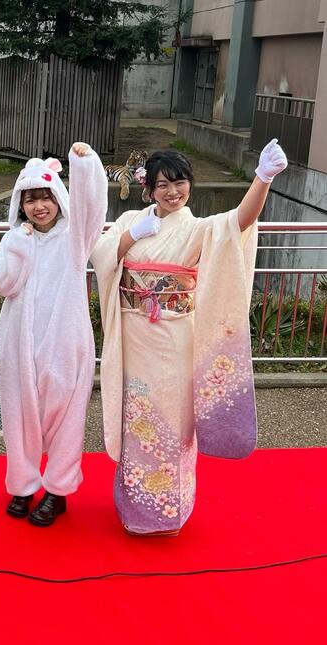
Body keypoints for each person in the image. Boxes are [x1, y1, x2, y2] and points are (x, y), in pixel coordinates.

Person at [91, 139, 288, 536]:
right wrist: (132, 236)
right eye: (162, 185)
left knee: (175, 421)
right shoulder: (132, 218)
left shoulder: (198, 229)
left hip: (176, 337)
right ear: (149, 190)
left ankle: (168, 509)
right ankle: (134, 507)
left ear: (189, 185)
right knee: (137, 418)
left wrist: (262, 178)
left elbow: (238, 224)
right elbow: (100, 254)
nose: (172, 192)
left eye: (179, 182)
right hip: (134, 333)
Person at [0, 142, 107, 527]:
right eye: (30, 199)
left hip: (64, 344)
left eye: (46, 197)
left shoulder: (75, 239)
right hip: (19, 345)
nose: (39, 206)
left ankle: (57, 489)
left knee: (66, 418)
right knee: (18, 416)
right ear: (20, 205)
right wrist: (19, 243)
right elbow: (1, 283)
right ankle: (23, 483)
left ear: (58, 198)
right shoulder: (14, 239)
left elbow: (93, 206)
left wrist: (84, 166)